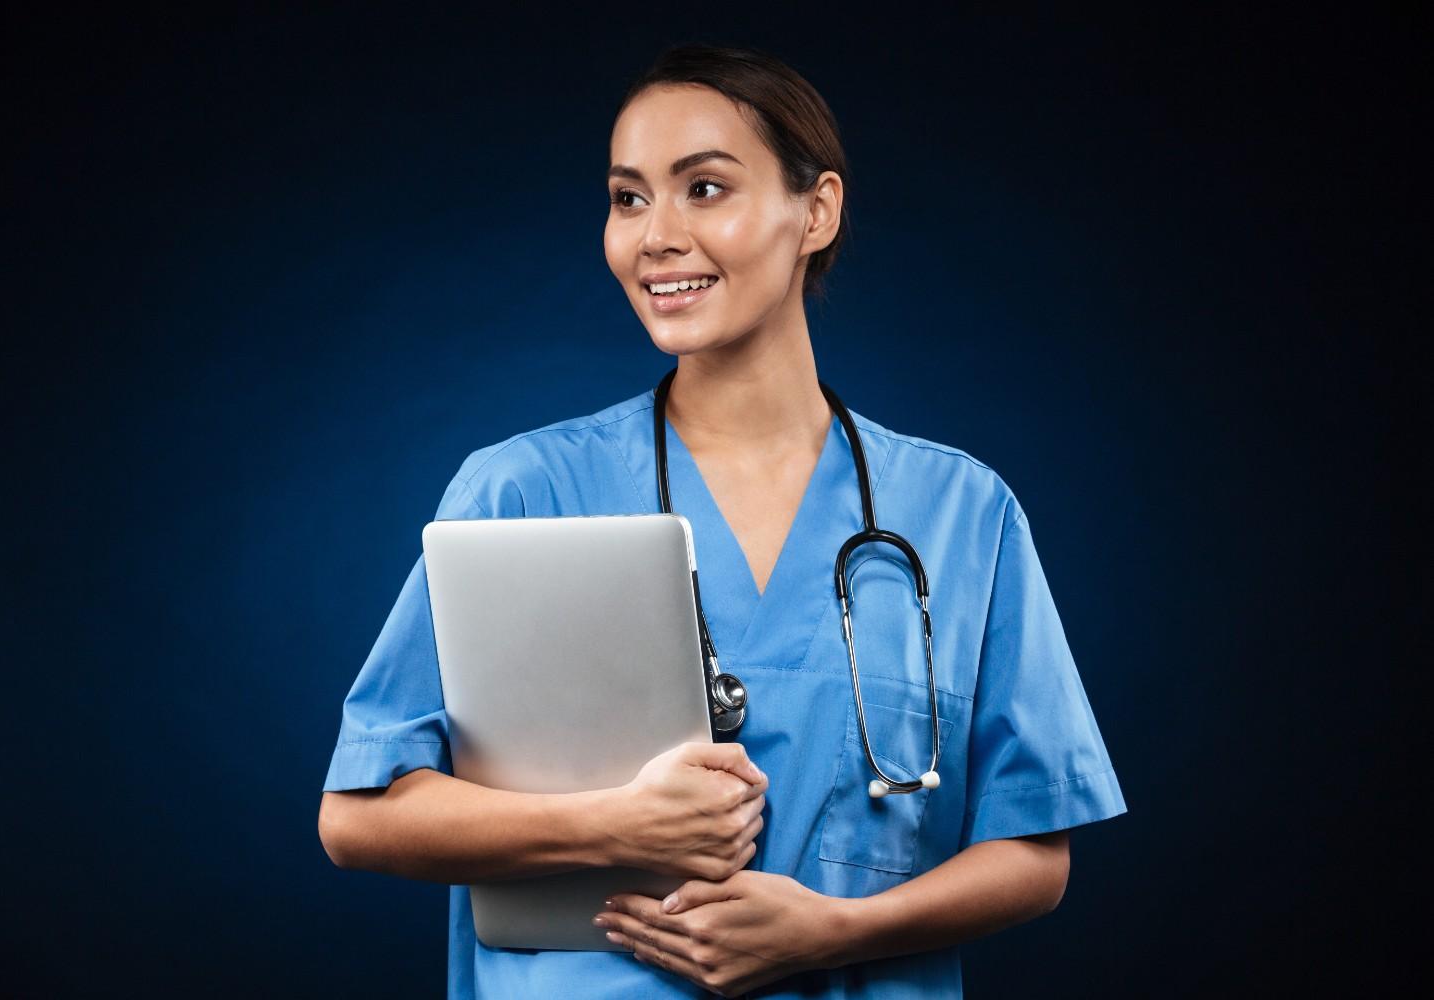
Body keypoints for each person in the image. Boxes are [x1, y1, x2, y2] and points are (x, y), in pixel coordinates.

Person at [317, 43, 1127, 999]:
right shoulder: (521, 490)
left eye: (704, 189)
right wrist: (613, 824)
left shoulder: (962, 513)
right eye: (628, 198)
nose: (655, 237)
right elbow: (360, 817)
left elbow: (1034, 854)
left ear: (816, 211)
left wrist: (832, 933)